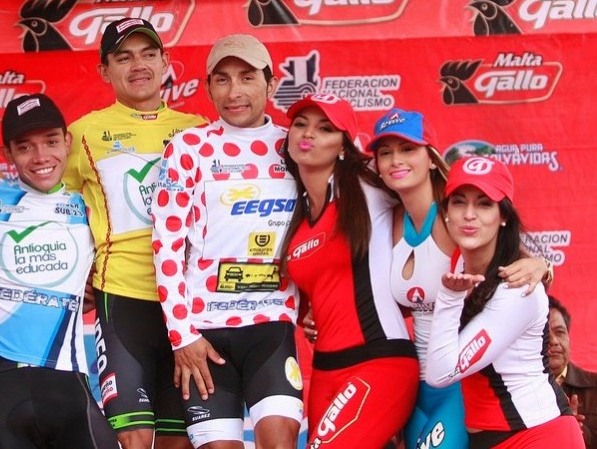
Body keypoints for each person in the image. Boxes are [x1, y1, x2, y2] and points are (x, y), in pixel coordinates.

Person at [0, 18, 204, 449]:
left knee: (181, 440)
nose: (138, 65)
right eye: (124, 57)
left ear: (166, 61)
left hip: (189, 303)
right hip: (122, 298)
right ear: (104, 71)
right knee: (132, 437)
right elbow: (45, 192)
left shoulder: (199, 130)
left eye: (148, 54)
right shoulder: (83, 134)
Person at [152, 33, 303, 448]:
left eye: (247, 77)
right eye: (222, 79)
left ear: (271, 84)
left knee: (280, 442)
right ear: (208, 88)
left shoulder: (295, 145)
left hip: (270, 326)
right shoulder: (188, 147)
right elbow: (166, 246)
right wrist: (182, 337)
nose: (234, 92)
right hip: (204, 332)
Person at [367, 108, 549, 449]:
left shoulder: (457, 219)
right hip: (409, 382)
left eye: (407, 149)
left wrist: (542, 266)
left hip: (455, 384)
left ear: (432, 158)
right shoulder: (387, 220)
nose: (395, 160)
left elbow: (512, 263)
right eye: (385, 152)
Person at [0, 93, 118, 448]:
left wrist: (98, 286)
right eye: (25, 147)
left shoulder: (90, 202)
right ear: (7, 154)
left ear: (67, 142)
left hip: (68, 380)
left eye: (51, 141)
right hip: (2, 385)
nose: (41, 156)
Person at [280, 93, 419, 448]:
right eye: (300, 124)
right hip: (324, 370)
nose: (308, 134)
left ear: (344, 146)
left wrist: (528, 260)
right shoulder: (296, 214)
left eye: (325, 128)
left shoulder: (364, 185)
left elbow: (449, 203)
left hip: (379, 362)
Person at [425, 157, 584, 448]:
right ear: (446, 212)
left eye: (484, 204)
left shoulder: (516, 289)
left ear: (503, 216)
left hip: (538, 437)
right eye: (459, 202)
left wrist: (449, 297)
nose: (469, 215)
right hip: (489, 437)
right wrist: (544, 265)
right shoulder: (459, 258)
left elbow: (440, 372)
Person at [548, 295, 597, 447]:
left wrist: (580, 434)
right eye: (543, 334)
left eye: (560, 332)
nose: (553, 341)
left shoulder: (595, 387)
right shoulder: (513, 391)